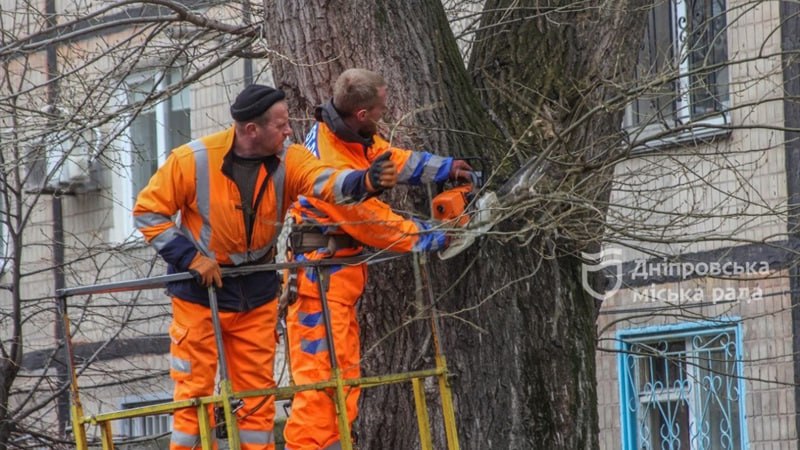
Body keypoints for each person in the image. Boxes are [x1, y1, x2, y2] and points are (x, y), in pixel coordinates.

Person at [133, 84, 398, 450]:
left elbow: (325, 181)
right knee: (193, 398)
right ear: (251, 130)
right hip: (199, 296)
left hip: (255, 294)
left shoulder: (289, 160)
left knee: (257, 401)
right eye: (281, 124)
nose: (289, 131)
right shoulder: (192, 160)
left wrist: (364, 181)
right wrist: (191, 258)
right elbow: (148, 212)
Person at [283, 68, 473, 450]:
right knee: (320, 388)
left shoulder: (349, 135)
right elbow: (376, 225)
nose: (386, 112)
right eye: (382, 108)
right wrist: (437, 236)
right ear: (362, 114)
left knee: (343, 381)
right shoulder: (333, 162)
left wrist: (443, 167)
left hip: (336, 281)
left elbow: (392, 160)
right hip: (318, 285)